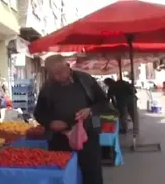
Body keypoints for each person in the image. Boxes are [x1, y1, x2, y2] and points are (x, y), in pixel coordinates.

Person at [34, 55, 109, 184]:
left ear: (68, 66)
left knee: (92, 174)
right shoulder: (47, 88)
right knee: (61, 174)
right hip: (60, 139)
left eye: (59, 73)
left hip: (88, 136)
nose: (57, 77)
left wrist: (90, 110)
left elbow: (103, 102)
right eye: (53, 74)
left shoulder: (85, 80)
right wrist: (50, 123)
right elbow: (39, 113)